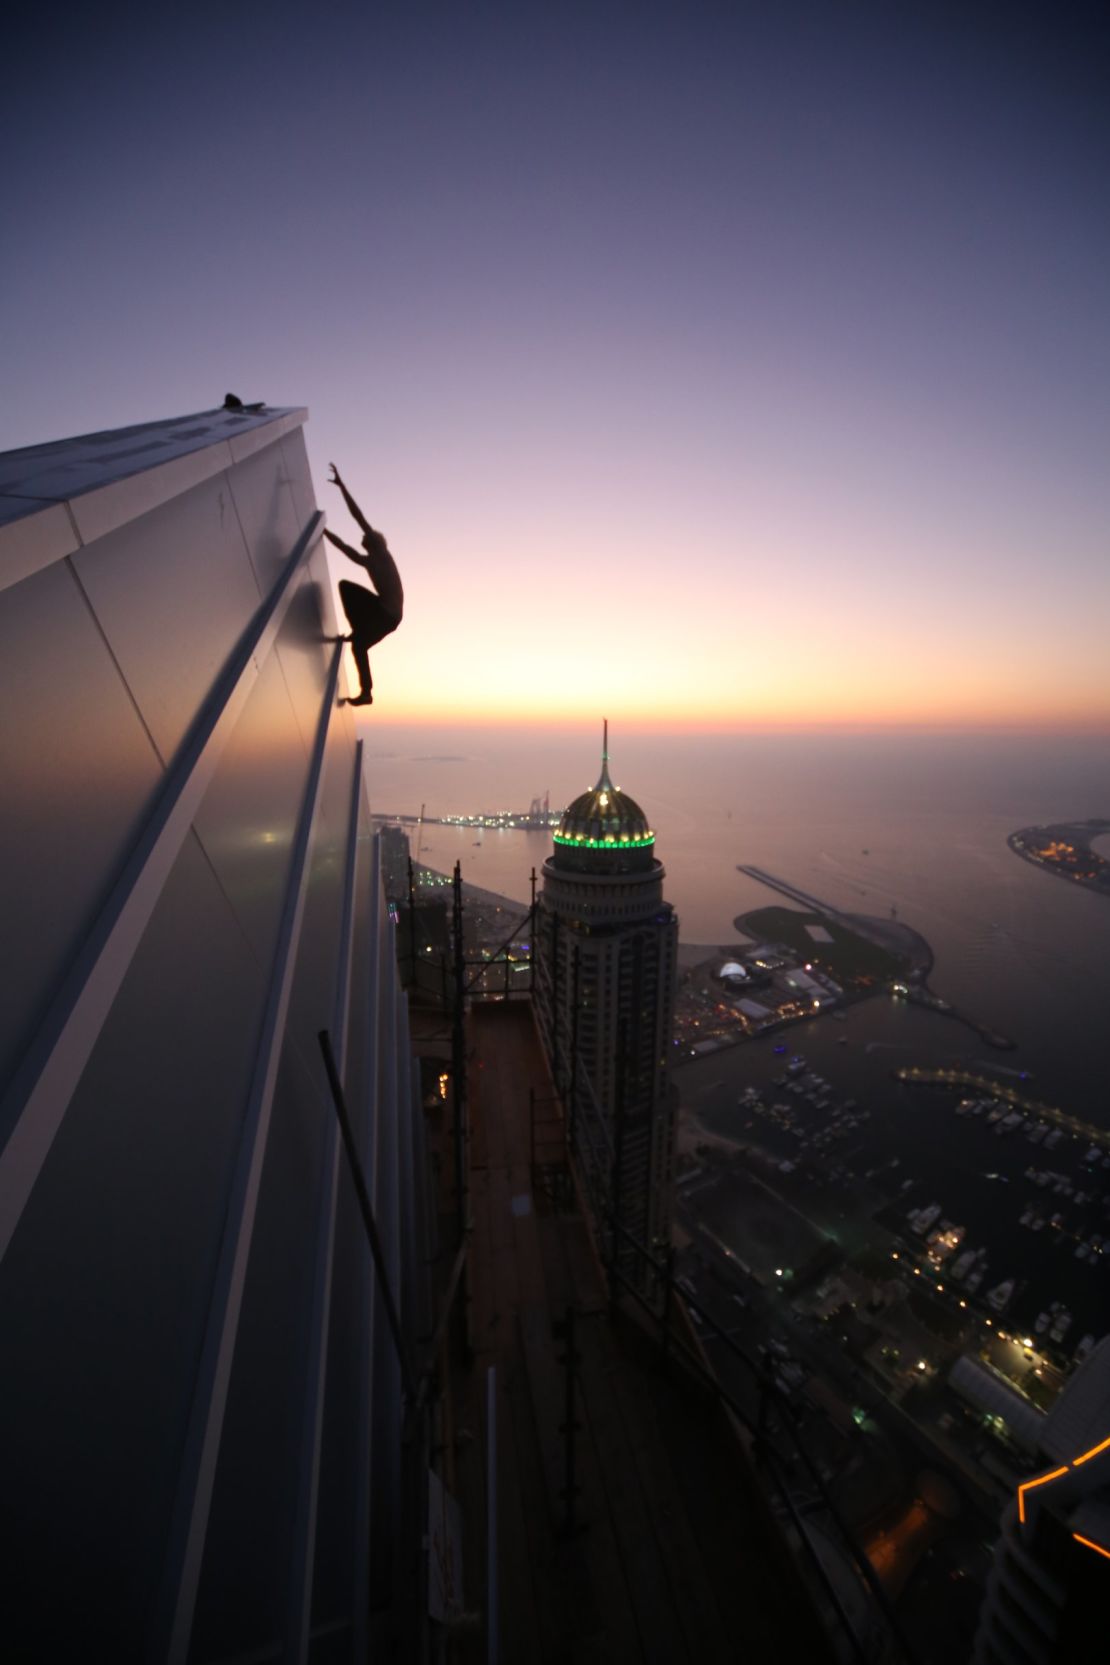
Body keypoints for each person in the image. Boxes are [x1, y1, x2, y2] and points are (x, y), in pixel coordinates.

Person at [324, 464, 404, 706]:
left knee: (358, 644)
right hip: (384, 612)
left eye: (364, 538)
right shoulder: (368, 560)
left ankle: (366, 691)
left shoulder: (380, 553)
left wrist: (342, 487)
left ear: (372, 541)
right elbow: (345, 548)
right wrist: (324, 531)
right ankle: (366, 691)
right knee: (347, 589)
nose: (361, 539)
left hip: (387, 615)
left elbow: (356, 515)